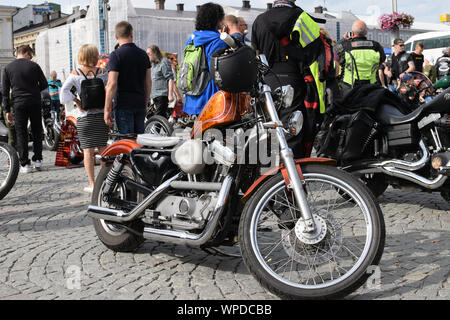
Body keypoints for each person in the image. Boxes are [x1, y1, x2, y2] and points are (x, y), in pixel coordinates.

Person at [251, 0, 326, 158]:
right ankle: (290, 173)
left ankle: (270, 169)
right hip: (293, 78)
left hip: (267, 80)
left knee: (269, 123)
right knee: (293, 126)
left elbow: (255, 54)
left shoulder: (259, 20)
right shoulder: (302, 17)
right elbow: (314, 54)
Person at [60, 44, 109, 193]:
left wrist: (76, 101)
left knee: (87, 151)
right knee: (103, 150)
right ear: (93, 56)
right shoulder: (102, 72)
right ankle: (103, 182)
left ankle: (92, 184)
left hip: (85, 117)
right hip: (101, 116)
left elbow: (63, 93)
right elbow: (111, 89)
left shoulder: (76, 73)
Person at [2, 45, 47, 173]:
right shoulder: (34, 66)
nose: (31, 57)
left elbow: (5, 92)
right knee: (37, 130)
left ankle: (25, 164)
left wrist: (7, 110)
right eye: (31, 54)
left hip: (18, 103)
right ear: (26, 53)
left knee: (21, 133)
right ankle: (37, 160)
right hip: (34, 101)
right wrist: (33, 90)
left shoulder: (8, 68)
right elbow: (44, 84)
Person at [104, 21, 152, 134]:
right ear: (131, 34)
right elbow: (148, 82)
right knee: (139, 141)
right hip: (140, 103)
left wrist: (106, 109)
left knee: (127, 142)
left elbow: (112, 84)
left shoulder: (116, 55)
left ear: (116, 36)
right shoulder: (143, 55)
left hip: (123, 104)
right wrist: (146, 103)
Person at [183, 2, 227, 116]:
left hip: (192, 94)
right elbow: (218, 71)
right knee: (218, 132)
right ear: (217, 19)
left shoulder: (191, 39)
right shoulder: (217, 41)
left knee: (198, 131)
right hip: (210, 95)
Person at [334, 20, 385, 95]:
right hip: (371, 88)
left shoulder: (344, 46)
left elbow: (333, 52)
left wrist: (343, 40)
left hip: (349, 88)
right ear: (366, 32)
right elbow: (382, 60)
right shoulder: (376, 46)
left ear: (352, 33)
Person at [146, 45, 180, 118]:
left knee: (158, 118)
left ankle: (156, 129)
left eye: (149, 54)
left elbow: (170, 79)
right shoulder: (153, 64)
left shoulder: (163, 62)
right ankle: (164, 128)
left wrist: (170, 94)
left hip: (162, 95)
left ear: (155, 53)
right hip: (154, 96)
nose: (147, 56)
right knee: (160, 117)